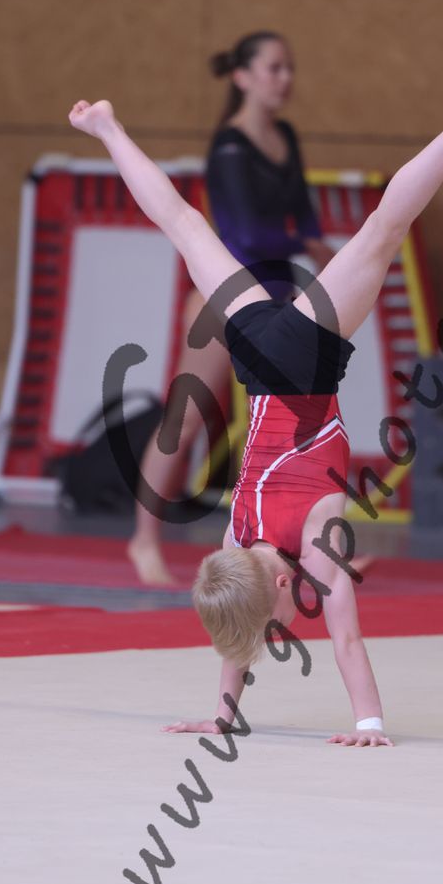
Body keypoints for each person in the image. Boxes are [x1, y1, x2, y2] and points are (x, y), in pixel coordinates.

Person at [69, 87, 443, 747]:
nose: (282, 629)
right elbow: (237, 619)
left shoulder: (318, 541)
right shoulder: (234, 545)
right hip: (255, 355)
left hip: (302, 358)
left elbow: (345, 637)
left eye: (280, 620)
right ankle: (107, 128)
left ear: (286, 580)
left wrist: (369, 724)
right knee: (185, 225)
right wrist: (223, 715)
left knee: (382, 230)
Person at [129, 32, 334, 587]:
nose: (285, 78)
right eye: (273, 68)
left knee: (297, 426)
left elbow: (303, 213)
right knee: (186, 418)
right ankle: (144, 539)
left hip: (275, 299)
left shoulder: (285, 137)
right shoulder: (229, 149)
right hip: (225, 298)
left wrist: (321, 249)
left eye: (289, 67)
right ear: (242, 77)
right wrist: (307, 244)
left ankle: (305, 552)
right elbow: (246, 232)